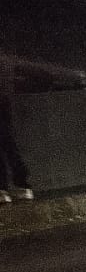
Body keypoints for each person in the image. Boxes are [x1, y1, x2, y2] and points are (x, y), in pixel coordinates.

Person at [1, 52, 34, 202]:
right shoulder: (5, 60)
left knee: (6, 145)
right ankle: (22, 185)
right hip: (4, 103)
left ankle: (4, 189)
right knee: (8, 144)